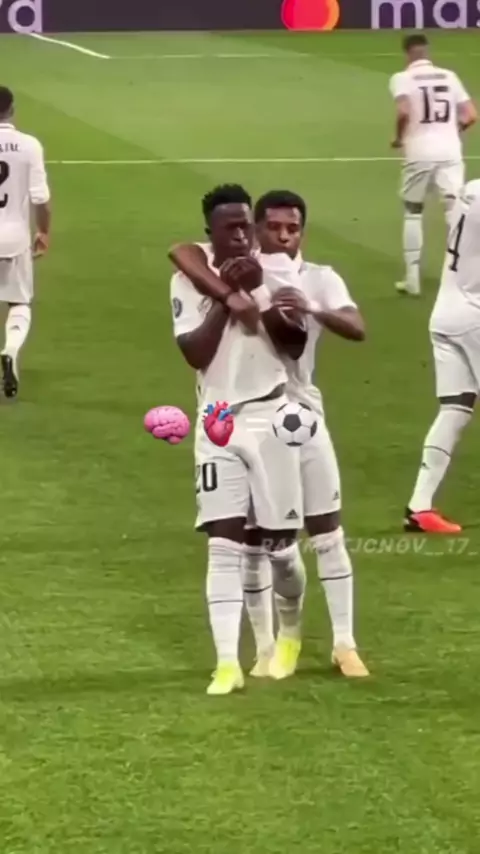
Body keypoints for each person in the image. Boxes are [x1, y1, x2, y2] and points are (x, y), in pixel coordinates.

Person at [170, 189, 369, 679]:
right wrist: (230, 295)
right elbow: (181, 251)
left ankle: (343, 643)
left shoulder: (311, 276)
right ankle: (264, 649)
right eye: (272, 227)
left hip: (300, 411)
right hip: (243, 413)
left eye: (291, 228)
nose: (281, 236)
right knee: (253, 540)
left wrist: (303, 307)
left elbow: (334, 332)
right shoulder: (223, 267)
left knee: (323, 530)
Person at [170, 184, 307, 696]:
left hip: (273, 415)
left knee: (280, 549)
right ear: (211, 232)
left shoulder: (276, 267)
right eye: (230, 228)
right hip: (219, 417)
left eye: (246, 225)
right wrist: (227, 299)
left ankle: (290, 632)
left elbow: (294, 345)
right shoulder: (189, 278)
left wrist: (260, 294)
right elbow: (195, 353)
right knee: (223, 544)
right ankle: (227, 663)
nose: (241, 235)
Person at [404, 179, 480, 534]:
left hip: (446, 312)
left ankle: (419, 507)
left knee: (455, 408)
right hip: (474, 316)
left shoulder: (473, 188)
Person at [389, 34, 476, 297]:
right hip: (450, 151)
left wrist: (399, 137)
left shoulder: (402, 78)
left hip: (419, 151)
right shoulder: (450, 76)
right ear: (427, 52)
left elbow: (404, 111)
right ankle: (461, 276)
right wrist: (452, 130)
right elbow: (471, 115)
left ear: (407, 53)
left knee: (413, 211)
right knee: (455, 211)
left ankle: (412, 279)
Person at [0, 86, 51, 397]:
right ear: (12, 109)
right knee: (19, 302)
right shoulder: (29, 145)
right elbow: (40, 198)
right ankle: (10, 350)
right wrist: (43, 231)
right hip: (13, 237)